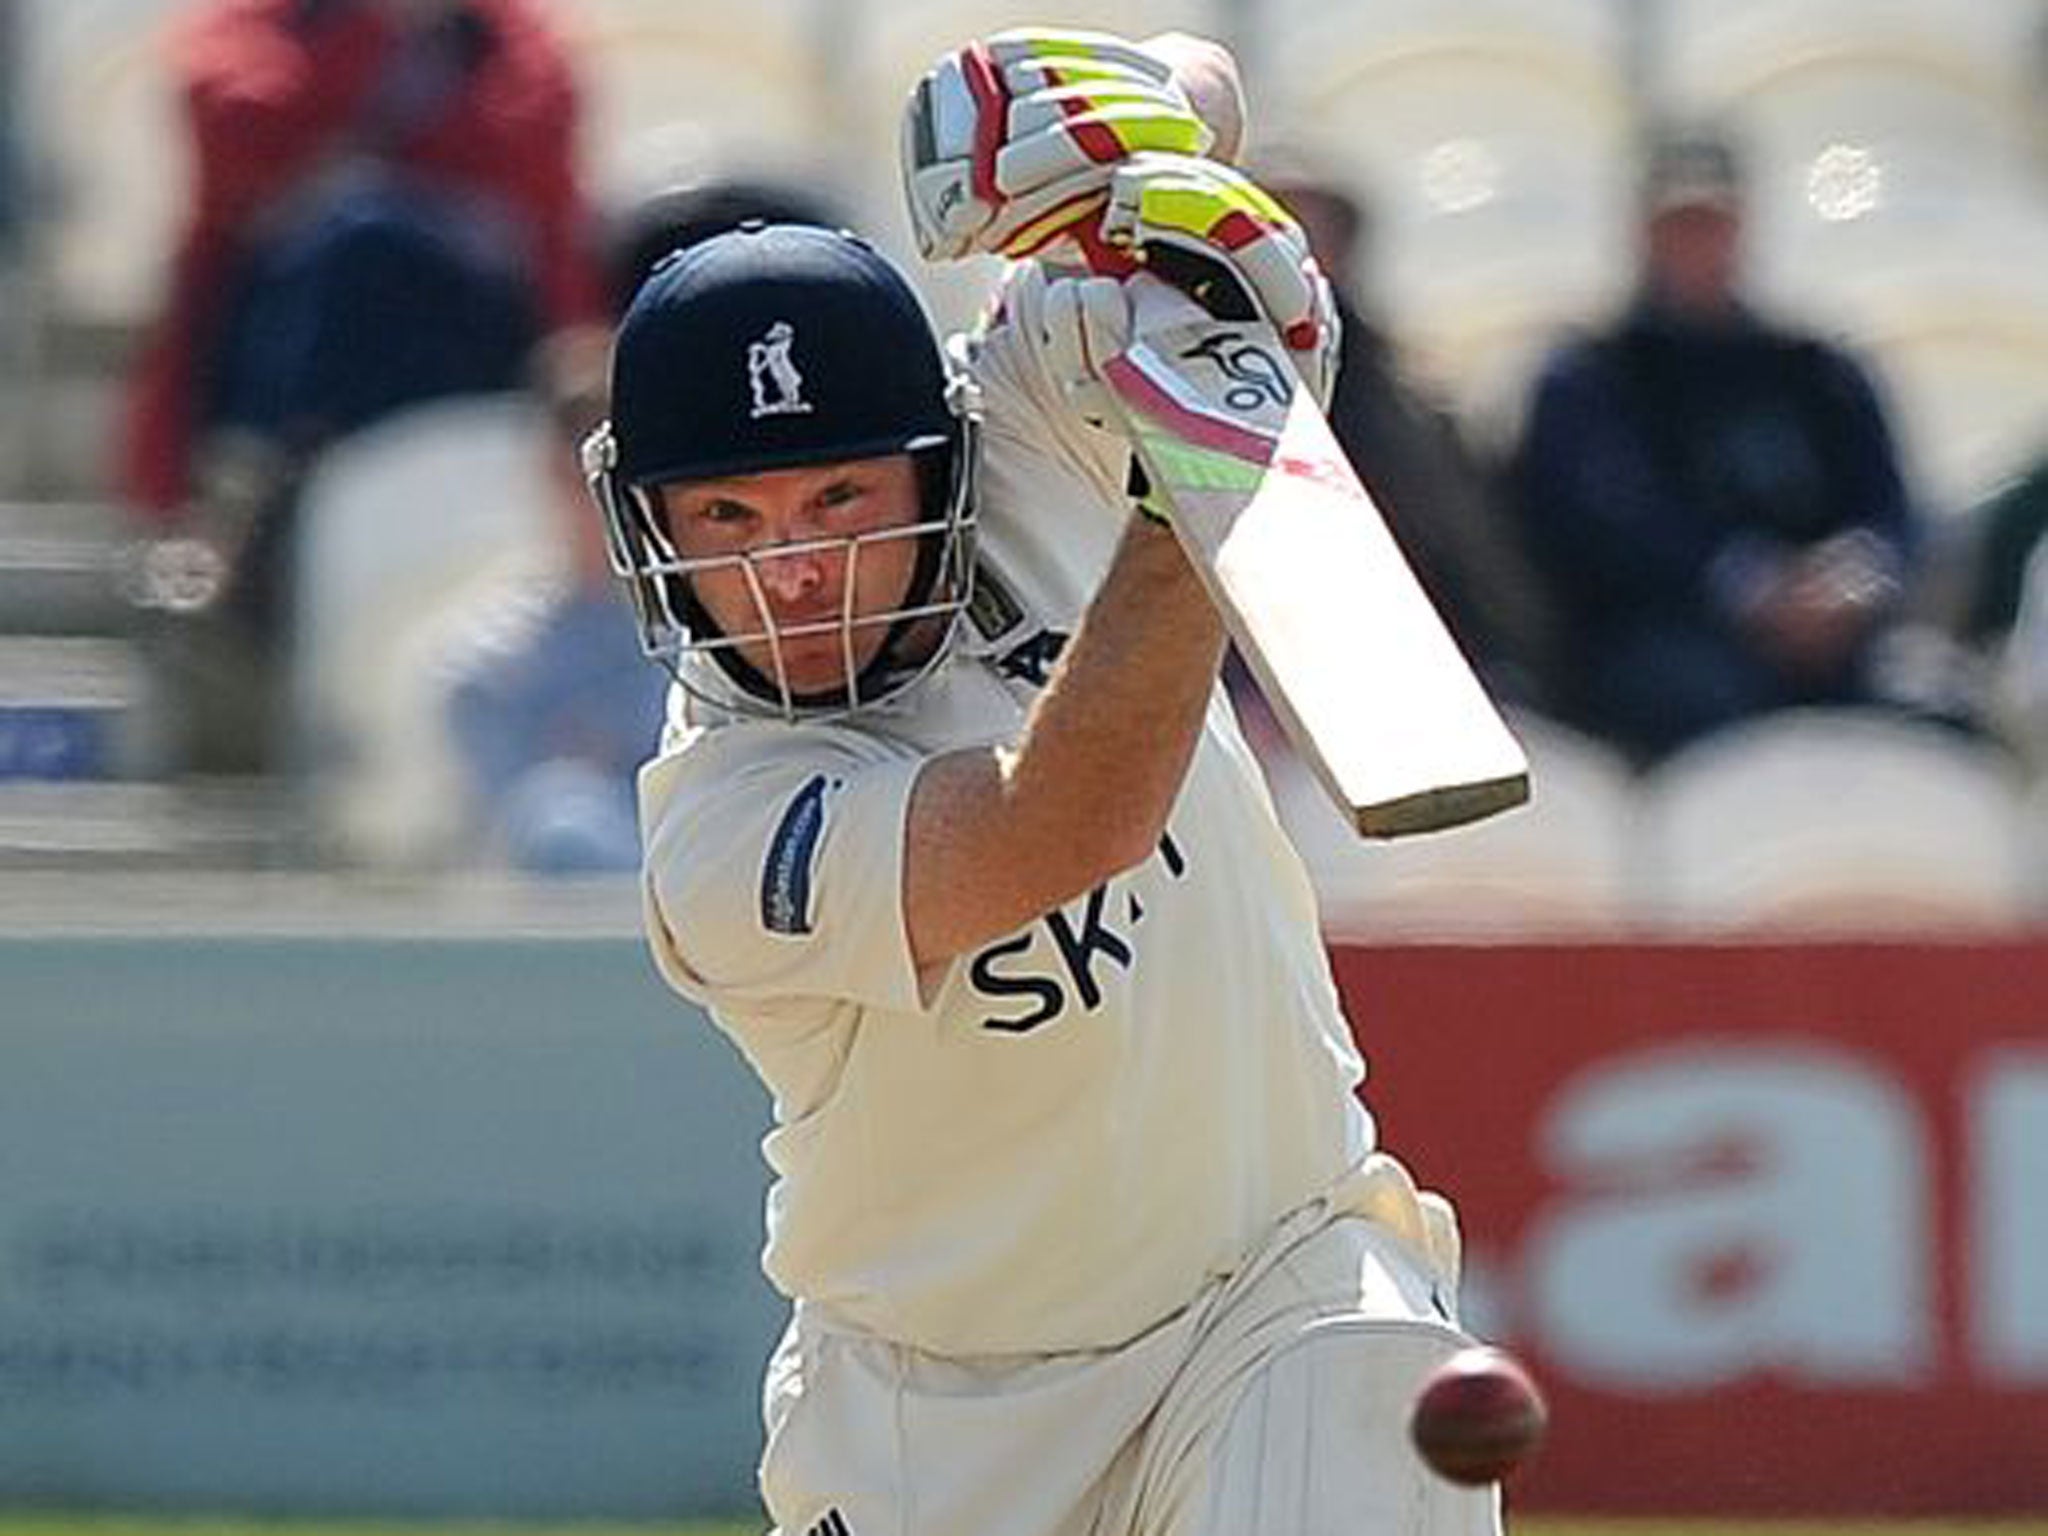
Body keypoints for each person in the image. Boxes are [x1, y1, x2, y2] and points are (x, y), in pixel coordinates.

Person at [584, 29, 1498, 1536]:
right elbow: (1062, 825)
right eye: (727, 516)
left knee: (1366, 1411)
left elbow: (1200, 76)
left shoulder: (1028, 424)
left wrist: (1162, 208)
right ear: (649, 523)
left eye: (838, 498)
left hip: (1277, 1287)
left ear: (938, 467)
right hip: (933, 1426)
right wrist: (1202, 478)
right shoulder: (723, 830)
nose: (793, 569)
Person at [120, 0, 607, 771]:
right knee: (351, 238)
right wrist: (378, 39)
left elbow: (527, 143)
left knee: (370, 232)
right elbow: (233, 120)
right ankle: (280, 498)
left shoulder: (493, 34)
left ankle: (263, 510)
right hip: (304, 334)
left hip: (459, 345)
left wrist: (379, 122)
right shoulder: (280, 19)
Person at [433, 176, 847, 874]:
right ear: (548, 472)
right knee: (561, 820)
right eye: (581, 463)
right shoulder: (488, 671)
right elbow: (524, 838)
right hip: (583, 952)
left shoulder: (745, 620)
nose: (605, 496)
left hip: (736, 882)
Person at [1511, 124, 1926, 763]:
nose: (1696, 245)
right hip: (1663, 639)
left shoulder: (1814, 368)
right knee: (1703, 711)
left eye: (1713, 224)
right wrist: (1746, 583)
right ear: (1642, 233)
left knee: (1935, 707)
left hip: (1833, 644)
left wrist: (1855, 577)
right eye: (1678, 225)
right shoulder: (1592, 377)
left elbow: (1892, 513)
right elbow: (1600, 528)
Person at [1255, 150, 1558, 711]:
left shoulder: (1406, 400)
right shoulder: (1178, 389)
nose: (1293, 247)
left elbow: (1467, 563)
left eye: (1313, 227)